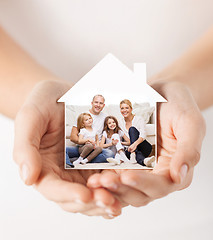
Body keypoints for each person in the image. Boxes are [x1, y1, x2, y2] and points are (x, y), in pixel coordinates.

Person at [1, 24, 212, 218]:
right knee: (75, 152)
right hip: (23, 205)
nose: (105, 112)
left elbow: (116, 143)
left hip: (191, 202)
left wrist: (172, 90)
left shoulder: (122, 123)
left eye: (107, 107)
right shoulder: (84, 122)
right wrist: (34, 98)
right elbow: (83, 137)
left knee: (108, 152)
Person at [66, 94, 114, 165]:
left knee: (110, 154)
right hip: (83, 147)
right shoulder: (83, 115)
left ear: (103, 105)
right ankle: (70, 163)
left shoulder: (105, 117)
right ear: (92, 103)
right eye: (96, 102)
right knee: (63, 150)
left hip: (96, 149)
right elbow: (73, 137)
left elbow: (109, 132)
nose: (98, 105)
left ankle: (81, 159)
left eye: (101, 103)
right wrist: (86, 142)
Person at [119, 99, 155, 167]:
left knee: (132, 129)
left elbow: (143, 136)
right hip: (129, 150)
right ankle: (144, 161)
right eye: (122, 108)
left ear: (131, 109)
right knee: (132, 153)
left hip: (143, 147)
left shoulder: (139, 119)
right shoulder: (120, 123)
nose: (124, 110)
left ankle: (133, 153)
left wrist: (134, 145)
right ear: (120, 110)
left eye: (127, 108)